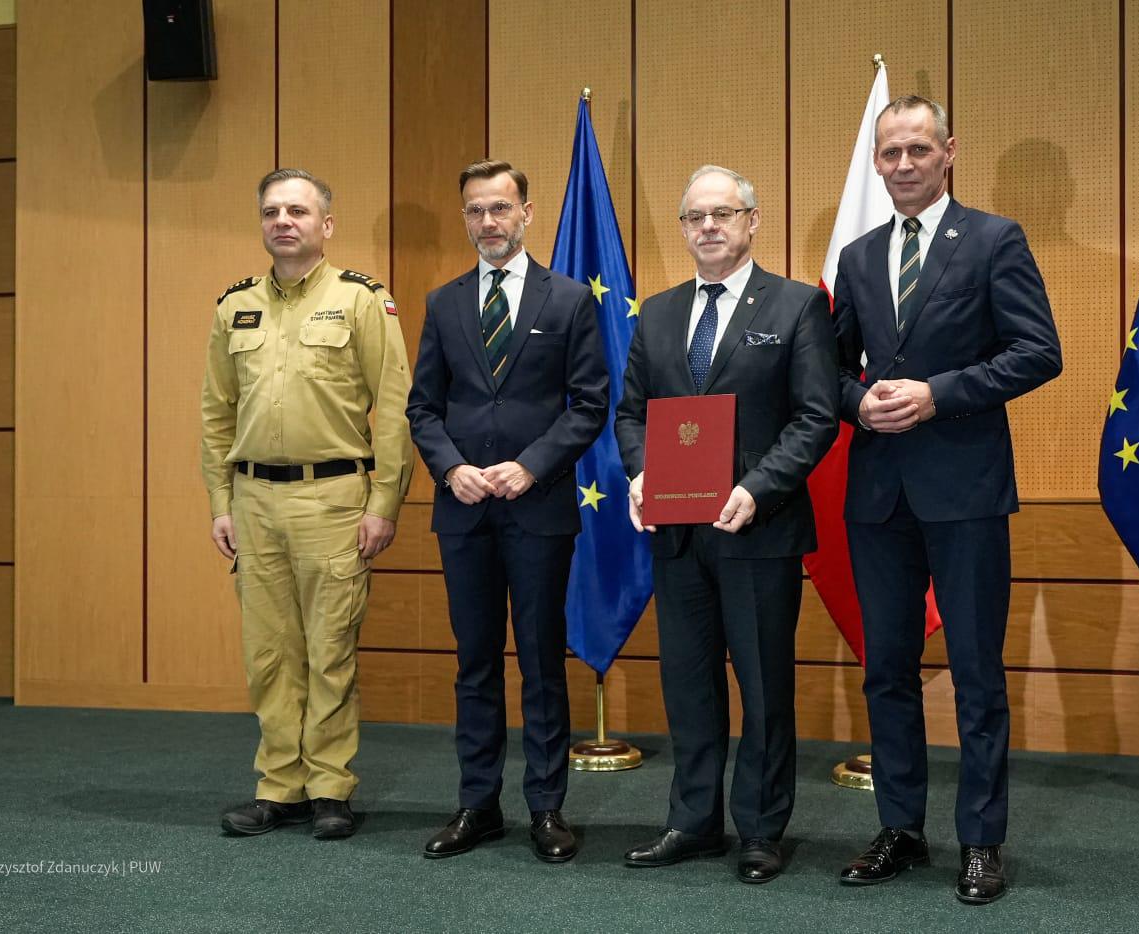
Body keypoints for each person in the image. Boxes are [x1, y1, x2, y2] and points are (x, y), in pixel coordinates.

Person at [830, 96, 1062, 904]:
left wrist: (939, 394)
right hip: (878, 494)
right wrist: (858, 403)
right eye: (890, 152)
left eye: (918, 150)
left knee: (976, 674)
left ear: (949, 151)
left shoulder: (994, 239)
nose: (902, 164)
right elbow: (830, 369)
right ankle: (900, 828)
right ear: (877, 161)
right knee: (887, 672)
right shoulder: (858, 256)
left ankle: (981, 839)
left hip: (966, 489)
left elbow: (1038, 351)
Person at [613, 165, 839, 884]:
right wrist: (640, 474)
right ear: (683, 229)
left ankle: (762, 829)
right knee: (688, 684)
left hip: (759, 529)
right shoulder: (656, 313)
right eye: (695, 217)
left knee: (764, 688)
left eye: (723, 213)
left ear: (752, 221)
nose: (708, 226)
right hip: (677, 535)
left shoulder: (798, 306)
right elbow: (629, 414)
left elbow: (816, 417)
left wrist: (758, 488)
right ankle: (693, 821)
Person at [202, 168, 414, 840]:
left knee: (329, 651)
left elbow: (397, 409)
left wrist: (385, 502)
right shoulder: (234, 307)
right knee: (269, 656)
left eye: (297, 211)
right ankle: (279, 787)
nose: (283, 221)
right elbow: (216, 414)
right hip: (254, 500)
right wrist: (220, 501)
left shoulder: (361, 301)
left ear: (327, 224)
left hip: (334, 499)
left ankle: (329, 787)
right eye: (272, 211)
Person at [406, 160, 608, 863]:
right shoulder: (444, 303)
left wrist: (531, 465)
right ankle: (478, 804)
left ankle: (547, 807)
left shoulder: (569, 300)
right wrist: (451, 468)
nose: (487, 222)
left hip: (539, 508)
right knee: (475, 663)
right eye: (475, 210)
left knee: (543, 662)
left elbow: (590, 404)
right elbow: (423, 407)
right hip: (464, 511)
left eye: (499, 207)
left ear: (527, 212)